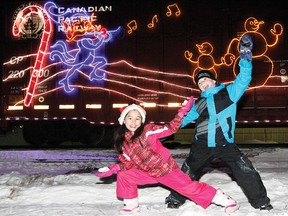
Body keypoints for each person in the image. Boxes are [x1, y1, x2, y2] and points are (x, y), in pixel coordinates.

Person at [165, 34, 273, 211]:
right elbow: (181, 121)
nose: (203, 84)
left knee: (245, 170)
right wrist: (163, 132)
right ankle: (175, 198)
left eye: (205, 79)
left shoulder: (229, 93)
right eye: (199, 83)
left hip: (225, 144)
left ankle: (261, 201)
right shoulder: (198, 103)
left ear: (213, 80)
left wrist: (245, 57)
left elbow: (244, 78)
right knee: (187, 171)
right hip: (201, 145)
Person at [95, 100, 240, 215]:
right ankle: (131, 207)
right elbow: (127, 163)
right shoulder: (122, 142)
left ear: (142, 121)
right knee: (124, 175)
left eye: (137, 118)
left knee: (189, 188)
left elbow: (171, 128)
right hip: (146, 172)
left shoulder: (148, 131)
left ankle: (224, 199)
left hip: (166, 170)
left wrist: (181, 113)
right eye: (130, 118)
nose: (133, 122)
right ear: (123, 120)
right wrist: (114, 168)